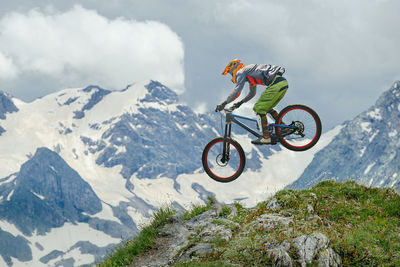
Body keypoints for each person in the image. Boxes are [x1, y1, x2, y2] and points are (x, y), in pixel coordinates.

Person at [215, 59, 288, 145]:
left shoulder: (241, 72)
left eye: (230, 73)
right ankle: (284, 127)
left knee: (258, 108)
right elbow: (252, 93)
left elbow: (236, 92)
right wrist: (239, 103)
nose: (232, 76)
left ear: (234, 68)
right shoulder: (249, 73)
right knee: (266, 108)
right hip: (283, 83)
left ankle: (266, 137)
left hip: (276, 85)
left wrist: (223, 104)